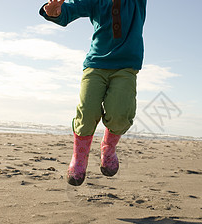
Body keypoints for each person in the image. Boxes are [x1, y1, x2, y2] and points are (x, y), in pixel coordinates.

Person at [40, 0, 147, 186]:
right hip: (95, 64)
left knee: (120, 114)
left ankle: (108, 148)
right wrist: (54, 11)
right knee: (87, 112)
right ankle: (79, 159)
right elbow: (70, 9)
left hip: (126, 66)